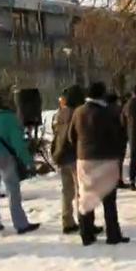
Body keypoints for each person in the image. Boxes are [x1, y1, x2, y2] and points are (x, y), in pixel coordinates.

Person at [69, 82, 129, 246]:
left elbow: (71, 136)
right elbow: (119, 135)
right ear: (102, 95)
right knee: (109, 200)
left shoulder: (78, 112)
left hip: (85, 159)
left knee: (86, 196)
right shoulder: (109, 112)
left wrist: (80, 150)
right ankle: (113, 234)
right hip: (107, 159)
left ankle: (86, 234)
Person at [0, 92, 40, 235]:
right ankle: (20, 224)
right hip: (4, 156)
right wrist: (27, 160)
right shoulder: (8, 117)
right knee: (12, 190)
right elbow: (17, 142)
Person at [52, 85, 91, 234]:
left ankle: (67, 220)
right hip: (75, 155)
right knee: (81, 190)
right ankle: (85, 222)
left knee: (66, 190)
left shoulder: (59, 114)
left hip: (61, 155)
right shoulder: (78, 113)